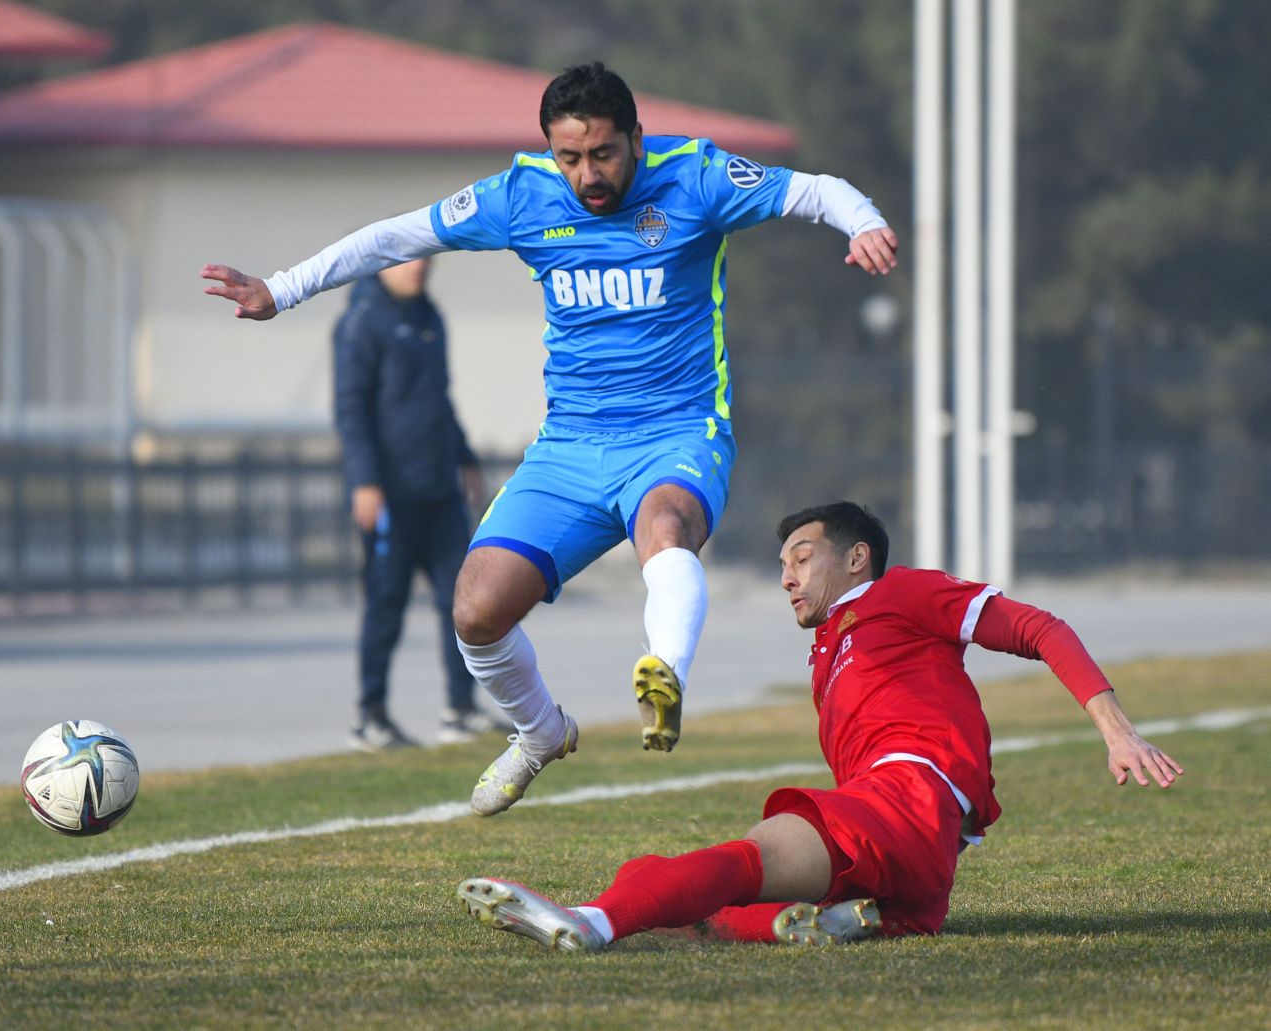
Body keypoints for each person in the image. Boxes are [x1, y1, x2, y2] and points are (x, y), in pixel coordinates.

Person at [203, 63, 900, 815]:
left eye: (601, 154)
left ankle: (663, 674)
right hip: (569, 444)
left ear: (635, 138)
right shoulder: (523, 194)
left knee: (663, 530)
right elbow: (396, 236)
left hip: (675, 432)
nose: (586, 175)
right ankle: (539, 732)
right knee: (474, 607)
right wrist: (283, 287)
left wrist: (861, 221)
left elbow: (816, 188)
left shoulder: (694, 177)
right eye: (569, 157)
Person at [457, 501, 1184, 950]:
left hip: (907, 800)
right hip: (920, 862)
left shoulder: (900, 591)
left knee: (745, 859)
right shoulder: (830, 647)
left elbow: (1039, 626)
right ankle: (818, 919)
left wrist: (1116, 728)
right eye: (781, 563)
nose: (786, 576)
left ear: (857, 556)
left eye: (802, 557)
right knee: (688, 888)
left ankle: (596, 921)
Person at [333, 257, 507, 750]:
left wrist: (464, 455)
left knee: (464, 602)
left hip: (439, 492)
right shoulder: (362, 321)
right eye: (410, 258)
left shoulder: (429, 317)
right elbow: (351, 409)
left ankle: (459, 708)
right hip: (391, 494)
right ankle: (370, 717)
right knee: (385, 604)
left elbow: (439, 400)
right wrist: (364, 481)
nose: (420, 268)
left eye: (427, 258)